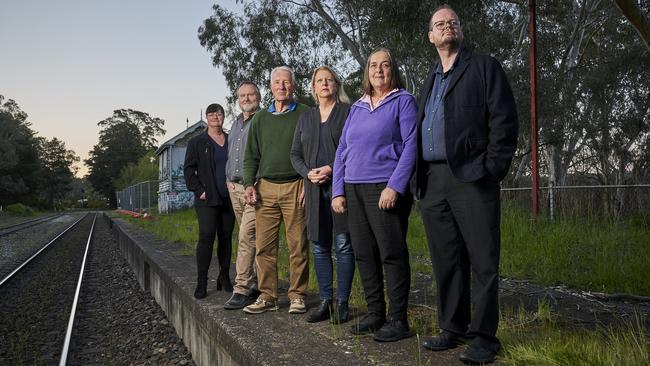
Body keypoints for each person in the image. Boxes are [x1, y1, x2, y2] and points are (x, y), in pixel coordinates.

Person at [414, 5, 518, 364]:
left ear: (460, 31)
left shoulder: (484, 67)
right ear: (431, 36)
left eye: (452, 23)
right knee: (446, 259)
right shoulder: (430, 79)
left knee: (482, 261)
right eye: (439, 24)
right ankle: (452, 327)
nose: (447, 28)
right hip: (432, 179)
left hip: (472, 177)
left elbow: (504, 121)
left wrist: (491, 169)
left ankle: (485, 338)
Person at [332, 48, 417, 342]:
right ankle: (375, 313)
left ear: (393, 70)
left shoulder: (403, 101)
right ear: (366, 72)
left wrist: (395, 186)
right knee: (364, 254)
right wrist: (338, 190)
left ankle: (398, 320)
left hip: (384, 187)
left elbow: (410, 145)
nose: (378, 70)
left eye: (385, 65)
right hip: (353, 189)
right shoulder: (356, 107)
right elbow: (342, 150)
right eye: (373, 65)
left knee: (391, 253)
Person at [242, 66, 311, 315]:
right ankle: (267, 295)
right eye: (277, 82)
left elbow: (313, 151)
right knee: (264, 247)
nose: (282, 86)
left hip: (296, 186)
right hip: (266, 188)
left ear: (293, 85)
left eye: (286, 82)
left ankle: (297, 295)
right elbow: (251, 156)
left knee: (298, 245)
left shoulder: (305, 113)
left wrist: (307, 180)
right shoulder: (260, 118)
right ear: (270, 86)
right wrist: (249, 183)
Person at [290, 66, 354, 324]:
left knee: (343, 244)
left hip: (341, 188)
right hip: (314, 189)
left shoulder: (348, 113)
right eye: (319, 81)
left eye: (329, 80)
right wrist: (308, 173)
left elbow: (353, 149)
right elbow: (295, 154)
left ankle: (342, 303)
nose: (324, 84)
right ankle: (326, 301)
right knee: (319, 246)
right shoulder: (305, 118)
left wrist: (331, 168)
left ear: (336, 86)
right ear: (313, 88)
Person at [184, 103, 236, 299]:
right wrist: (199, 190)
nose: (216, 116)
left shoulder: (231, 140)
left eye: (219, 113)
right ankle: (202, 281)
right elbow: (189, 170)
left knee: (226, 238)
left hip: (229, 198)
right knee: (206, 238)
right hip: (207, 199)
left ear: (223, 116)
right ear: (207, 117)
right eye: (212, 114)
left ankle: (224, 277)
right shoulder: (197, 142)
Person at [223, 81, 262, 310]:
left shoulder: (264, 120)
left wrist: (255, 184)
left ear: (258, 96)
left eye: (250, 94)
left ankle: (241, 289)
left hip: (253, 188)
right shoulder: (236, 123)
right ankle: (256, 283)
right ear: (238, 99)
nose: (246, 98)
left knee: (246, 237)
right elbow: (231, 154)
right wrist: (229, 180)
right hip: (234, 189)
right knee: (250, 238)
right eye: (242, 96)